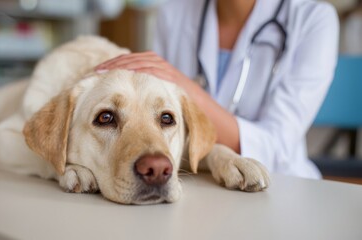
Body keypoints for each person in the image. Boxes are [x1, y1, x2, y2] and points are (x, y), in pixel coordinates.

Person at [95, 0, 339, 179]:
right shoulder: (173, 13)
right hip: (197, 179)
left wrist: (183, 87)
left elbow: (275, 149)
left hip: (282, 185)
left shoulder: (314, 20)